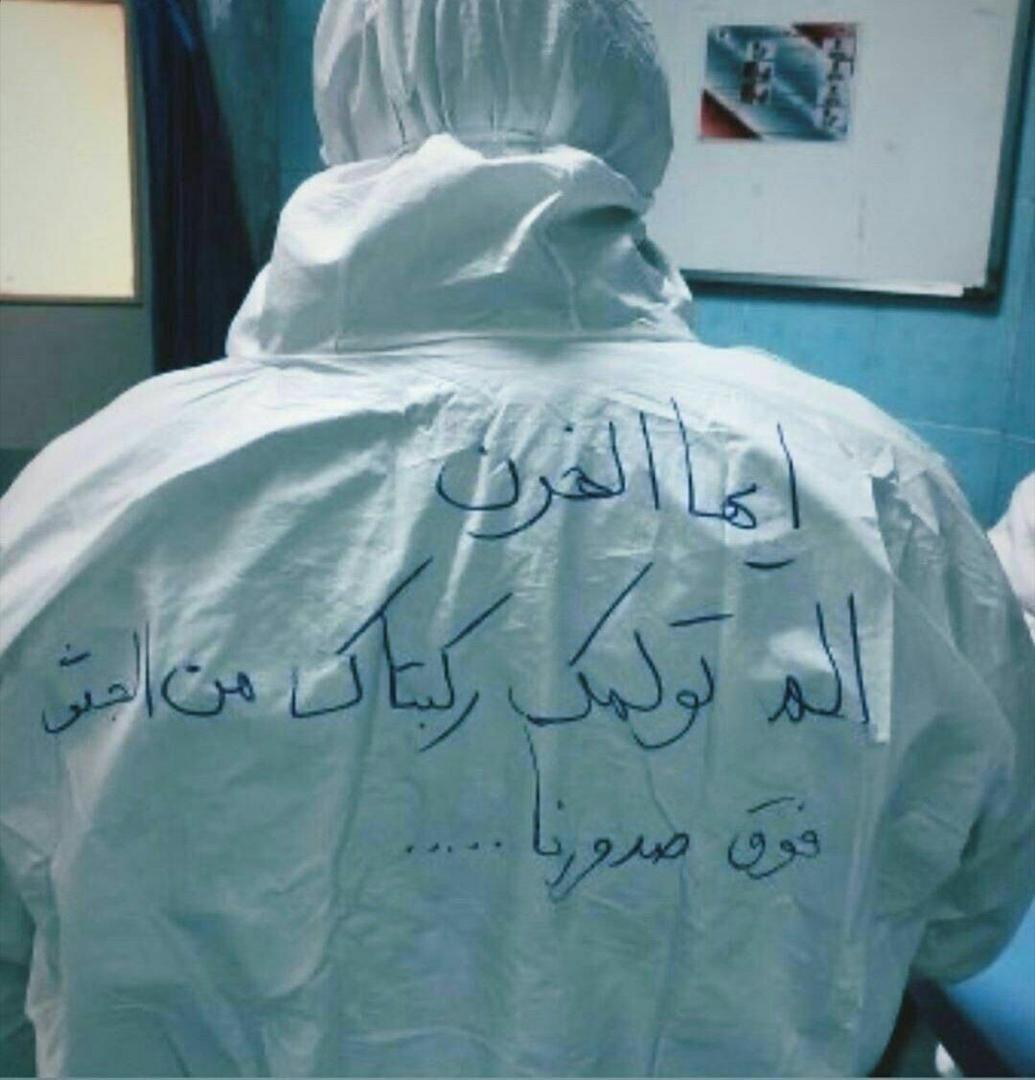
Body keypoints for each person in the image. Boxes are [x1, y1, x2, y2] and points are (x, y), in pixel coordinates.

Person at [1, 0, 1032, 1075]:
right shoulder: (880, 498)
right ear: (633, 111)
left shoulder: (92, 503)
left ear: (346, 98)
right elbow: (966, 914)